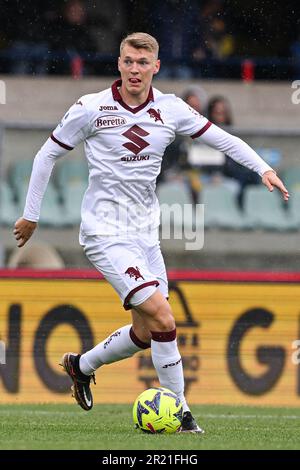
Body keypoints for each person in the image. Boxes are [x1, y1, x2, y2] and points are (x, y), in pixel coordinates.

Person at [13, 32, 289, 434]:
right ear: (119, 63)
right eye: (128, 61)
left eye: (143, 63)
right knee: (162, 314)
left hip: (145, 234)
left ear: (156, 66)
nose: (135, 69)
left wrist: (263, 168)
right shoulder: (91, 108)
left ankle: (81, 365)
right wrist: (31, 214)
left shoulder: (171, 109)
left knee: (148, 329)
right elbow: (47, 153)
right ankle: (182, 415)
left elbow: (222, 138)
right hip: (104, 231)